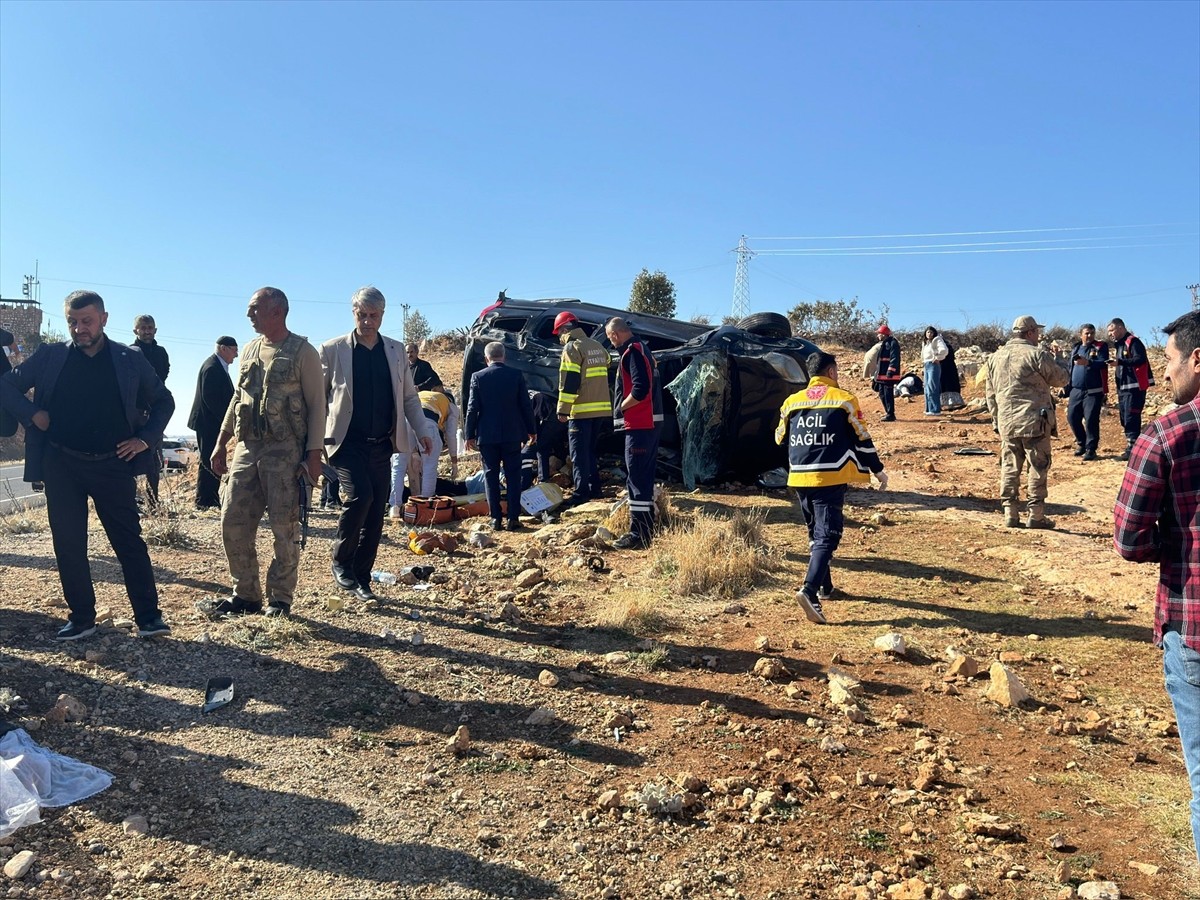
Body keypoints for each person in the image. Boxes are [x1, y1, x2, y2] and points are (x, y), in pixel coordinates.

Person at [0, 291, 174, 640]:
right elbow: (6, 385)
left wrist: (145, 439)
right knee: (68, 544)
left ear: (104, 319)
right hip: (61, 463)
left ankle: (149, 618)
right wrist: (33, 414)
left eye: (87, 321)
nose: (80, 328)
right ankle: (81, 618)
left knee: (128, 542)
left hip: (113, 464)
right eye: (73, 322)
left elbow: (163, 401)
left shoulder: (129, 359)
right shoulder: (50, 357)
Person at [1113, 310, 1200, 860]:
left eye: (1169, 360)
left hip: (1193, 625)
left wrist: (1173, 549)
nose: (1164, 374)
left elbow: (1128, 536)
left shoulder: (1168, 433)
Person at [205, 287, 326, 619]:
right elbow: (237, 400)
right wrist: (221, 441)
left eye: (254, 309)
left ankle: (280, 598)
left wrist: (313, 455)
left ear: (277, 311)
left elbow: (318, 406)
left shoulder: (304, 352)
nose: (249, 315)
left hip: (286, 451)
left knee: (284, 527)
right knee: (233, 520)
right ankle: (245, 594)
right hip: (248, 448)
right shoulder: (248, 350)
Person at [318, 287, 433, 601]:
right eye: (362, 315)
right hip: (345, 442)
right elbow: (318, 399)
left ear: (383, 315)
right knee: (360, 497)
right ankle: (341, 561)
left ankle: (363, 577)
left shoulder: (396, 352)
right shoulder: (332, 349)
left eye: (374, 315)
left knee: (376, 512)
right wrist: (314, 444)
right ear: (353, 312)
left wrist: (422, 431)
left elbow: (409, 398)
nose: (368, 322)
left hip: (383, 443)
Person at [775, 351, 887, 625]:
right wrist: (877, 469)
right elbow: (862, 438)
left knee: (816, 533)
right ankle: (810, 590)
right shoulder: (844, 400)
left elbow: (779, 438)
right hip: (830, 475)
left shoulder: (791, 402)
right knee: (828, 536)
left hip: (800, 477)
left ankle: (825, 587)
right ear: (832, 372)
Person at [984, 315, 1070, 529]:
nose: (1039, 335)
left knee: (1010, 466)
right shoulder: (1037, 354)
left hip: (1007, 422)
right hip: (1034, 421)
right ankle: (1036, 515)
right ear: (1030, 332)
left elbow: (990, 394)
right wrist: (1059, 360)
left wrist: (996, 419)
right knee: (1038, 466)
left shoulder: (995, 357)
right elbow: (1062, 379)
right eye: (1037, 332)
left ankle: (1010, 513)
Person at [605, 317, 663, 550]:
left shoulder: (632, 353)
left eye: (610, 338)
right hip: (647, 424)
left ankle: (638, 534)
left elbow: (640, 390)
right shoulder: (643, 349)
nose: (611, 343)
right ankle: (645, 530)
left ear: (615, 334)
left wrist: (621, 407)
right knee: (643, 477)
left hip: (639, 425)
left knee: (637, 479)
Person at [465, 342, 536, 530]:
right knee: (513, 476)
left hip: (487, 435)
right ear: (504, 356)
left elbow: (473, 408)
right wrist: (532, 429)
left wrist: (468, 434)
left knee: (491, 475)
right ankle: (513, 518)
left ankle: (495, 518)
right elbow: (525, 406)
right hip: (513, 434)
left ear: (487, 358)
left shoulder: (478, 377)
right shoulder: (515, 375)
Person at [552, 311, 612, 507]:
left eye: (559, 332)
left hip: (581, 411)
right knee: (590, 452)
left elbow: (570, 381)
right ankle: (595, 489)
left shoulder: (572, 348)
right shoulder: (597, 346)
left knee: (578, 454)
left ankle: (581, 493)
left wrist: (563, 409)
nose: (559, 337)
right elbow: (608, 363)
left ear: (565, 328)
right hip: (601, 410)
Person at [187, 336, 238, 509]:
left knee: (214, 459)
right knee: (208, 460)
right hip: (208, 423)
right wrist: (227, 421)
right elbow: (211, 399)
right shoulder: (211, 367)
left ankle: (212, 498)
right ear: (223, 348)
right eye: (234, 350)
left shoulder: (219, 366)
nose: (236, 355)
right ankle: (204, 500)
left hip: (213, 422)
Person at [132, 314, 170, 506]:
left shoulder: (161, 352)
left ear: (155, 330)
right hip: (134, 411)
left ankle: (153, 501)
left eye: (150, 328)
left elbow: (163, 376)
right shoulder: (130, 352)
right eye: (143, 328)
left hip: (154, 411)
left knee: (154, 458)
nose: (147, 331)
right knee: (129, 455)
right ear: (136, 331)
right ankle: (128, 500)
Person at [1107, 317, 1156, 461]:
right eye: (1109, 332)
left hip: (1134, 387)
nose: (1110, 334)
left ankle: (1133, 449)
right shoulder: (1119, 345)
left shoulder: (1133, 342)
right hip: (1123, 388)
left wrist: (1120, 362)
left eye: (1112, 330)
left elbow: (1140, 359)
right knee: (1124, 417)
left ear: (1120, 328)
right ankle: (1132, 445)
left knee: (1131, 416)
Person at [1066, 323, 1109, 461]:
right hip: (1076, 390)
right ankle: (1082, 443)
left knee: (1091, 419)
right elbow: (1069, 367)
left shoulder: (1100, 347)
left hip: (1093, 391)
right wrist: (1066, 386)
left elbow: (1104, 362)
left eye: (1092, 333)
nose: (1089, 336)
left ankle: (1091, 449)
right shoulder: (1076, 348)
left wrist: (1089, 363)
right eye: (1087, 333)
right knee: (1072, 417)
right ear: (1081, 334)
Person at [418, 387, 460, 495]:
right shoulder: (451, 406)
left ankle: (396, 504)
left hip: (405, 422)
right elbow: (451, 435)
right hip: (427, 424)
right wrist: (454, 462)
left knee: (400, 466)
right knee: (429, 466)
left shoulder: (427, 395)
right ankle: (426, 503)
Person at [873, 325, 902, 421]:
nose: (878, 336)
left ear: (884, 334)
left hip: (888, 375)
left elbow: (895, 358)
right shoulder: (883, 344)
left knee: (888, 394)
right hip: (881, 374)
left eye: (879, 334)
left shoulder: (893, 343)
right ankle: (888, 413)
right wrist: (876, 375)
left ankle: (890, 414)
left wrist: (891, 371)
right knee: (881, 394)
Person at [921, 325, 949, 416]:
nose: (929, 334)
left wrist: (938, 358)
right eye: (928, 332)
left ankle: (935, 409)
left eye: (931, 332)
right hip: (926, 365)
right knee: (926, 387)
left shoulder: (937, 340)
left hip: (933, 365)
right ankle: (928, 408)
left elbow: (944, 350)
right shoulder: (925, 343)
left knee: (932, 386)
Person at [940, 337, 965, 411]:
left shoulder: (941, 348)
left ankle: (946, 403)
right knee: (951, 385)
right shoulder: (948, 347)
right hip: (950, 369)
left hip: (943, 368)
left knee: (945, 386)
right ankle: (953, 403)